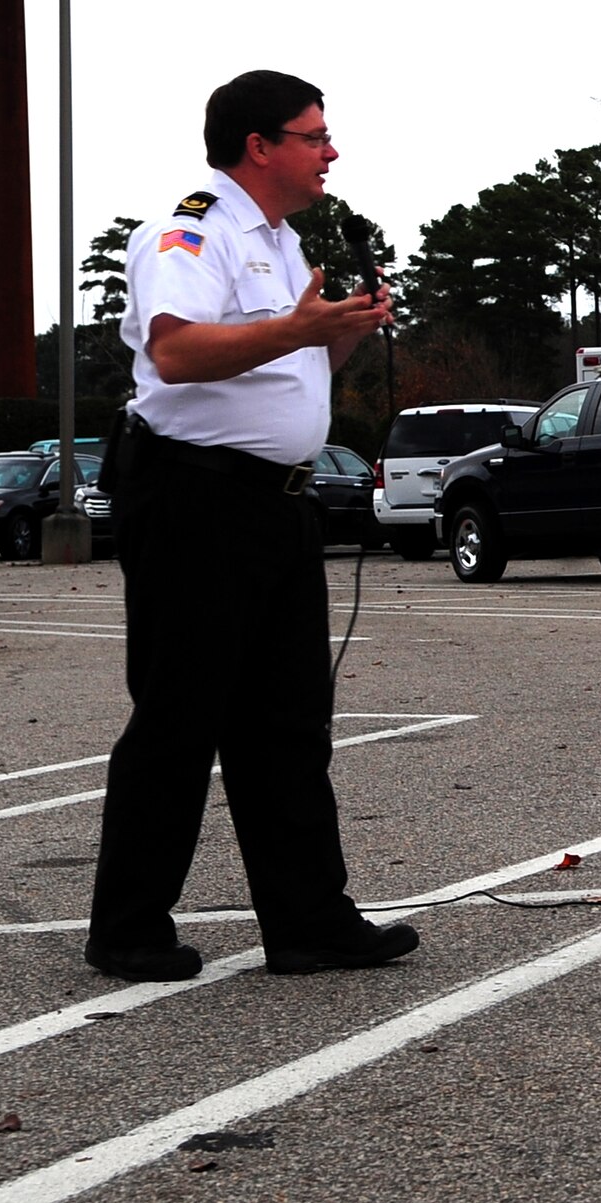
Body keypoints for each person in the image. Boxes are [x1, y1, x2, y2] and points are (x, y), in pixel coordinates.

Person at [85, 70, 415, 981]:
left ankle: (309, 922)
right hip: (195, 500)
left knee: (290, 722)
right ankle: (128, 929)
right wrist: (296, 325)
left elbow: (293, 359)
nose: (331, 151)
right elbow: (177, 350)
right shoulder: (190, 230)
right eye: (313, 136)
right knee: (180, 715)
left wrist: (340, 327)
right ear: (259, 146)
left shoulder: (284, 242)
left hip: (277, 505)